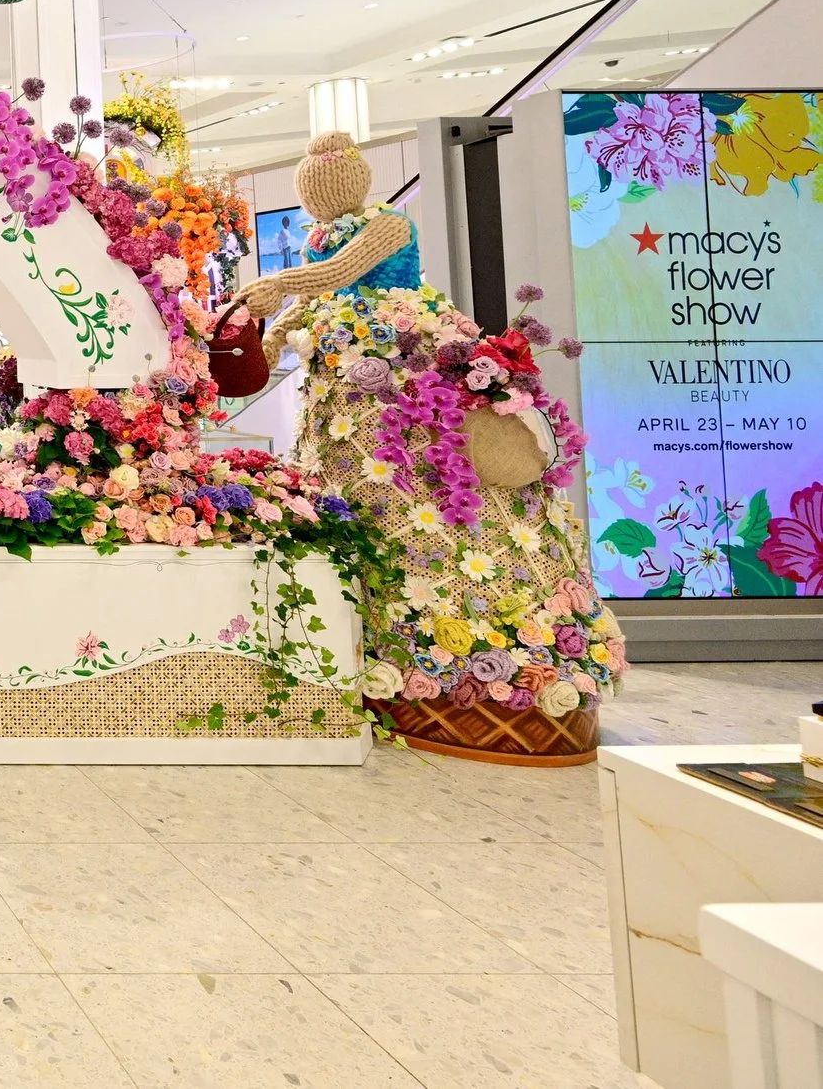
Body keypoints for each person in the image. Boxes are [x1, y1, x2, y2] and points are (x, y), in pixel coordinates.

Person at [229, 131, 623, 763]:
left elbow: (338, 275)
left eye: (325, 192)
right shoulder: (318, 239)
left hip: (404, 362)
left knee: (437, 473)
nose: (322, 205)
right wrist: (272, 337)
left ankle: (499, 660)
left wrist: (277, 286)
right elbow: (319, 298)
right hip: (343, 380)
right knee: (356, 491)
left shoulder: (387, 226)